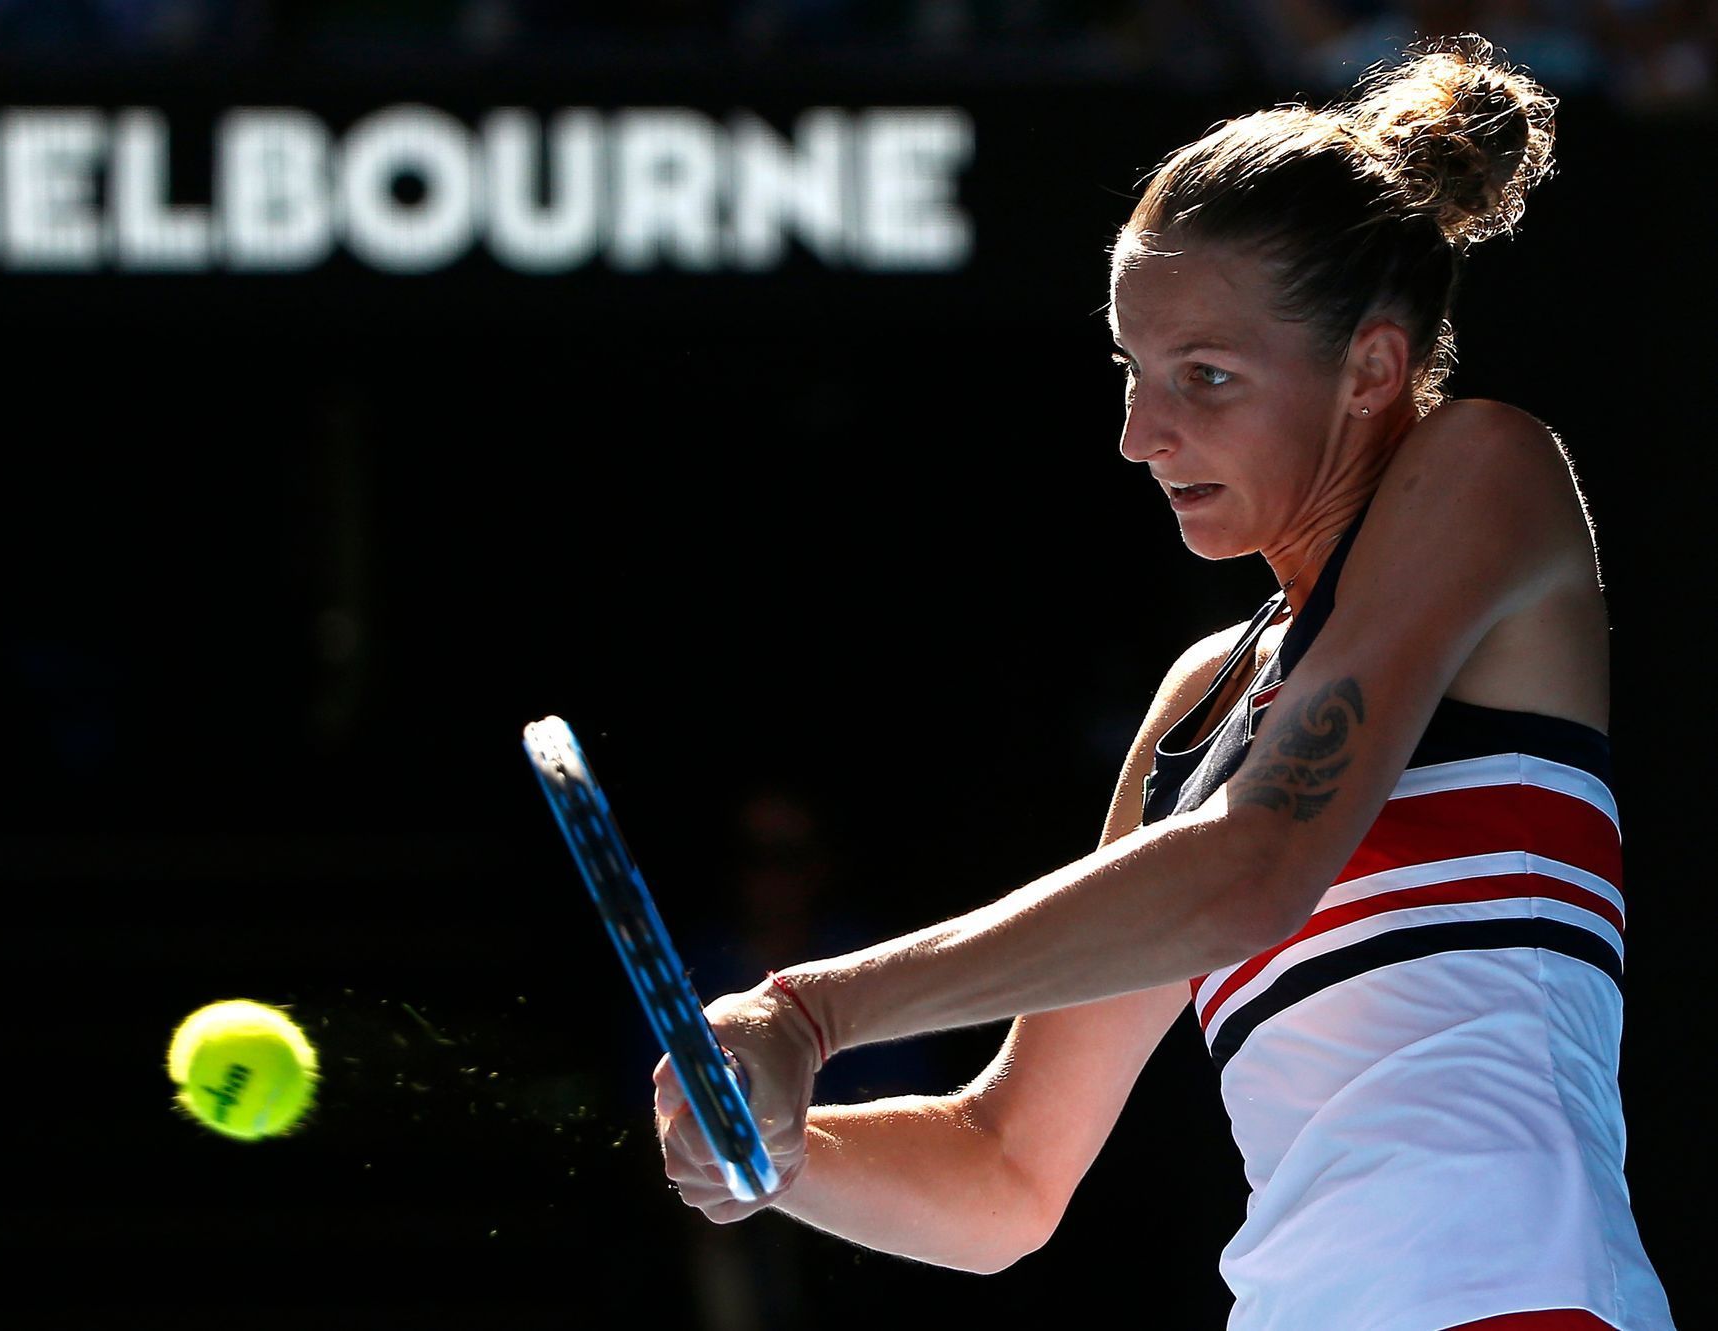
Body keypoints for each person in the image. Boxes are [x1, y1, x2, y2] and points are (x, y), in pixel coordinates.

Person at [652, 34, 1677, 1331]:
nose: (1144, 436)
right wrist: (778, 1144)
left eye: (1208, 377)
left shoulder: (1488, 466)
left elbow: (1258, 869)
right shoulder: (1202, 702)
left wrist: (810, 1011)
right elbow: (1003, 1175)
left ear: (1369, 368)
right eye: (1137, 374)